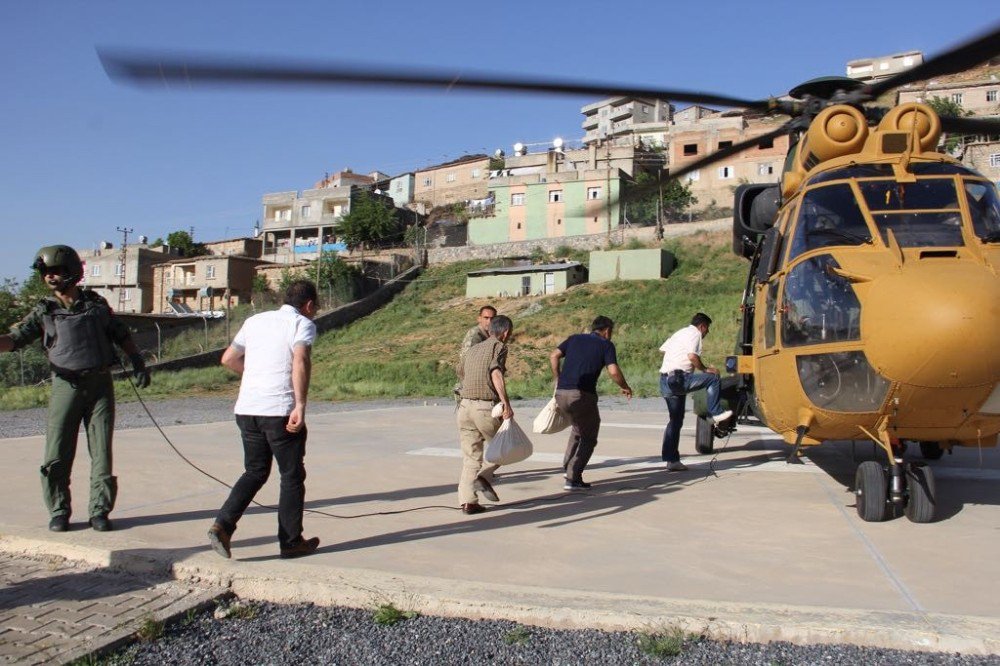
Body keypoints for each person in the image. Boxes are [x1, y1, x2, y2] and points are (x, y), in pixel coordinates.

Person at [0, 245, 151, 533]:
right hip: (65, 386)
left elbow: (120, 333)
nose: (51, 277)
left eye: (57, 271)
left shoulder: (96, 305)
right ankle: (59, 511)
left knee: (102, 453)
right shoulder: (44, 311)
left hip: (99, 386)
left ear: (72, 272)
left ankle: (100, 511)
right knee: (56, 453)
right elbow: (15, 339)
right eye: (47, 273)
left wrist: (136, 359)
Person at [207, 279, 321, 560]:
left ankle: (223, 525)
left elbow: (229, 359)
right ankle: (291, 541)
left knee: (255, 471)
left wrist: (257, 377)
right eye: (315, 307)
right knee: (291, 475)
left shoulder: (255, 321)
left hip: (247, 410)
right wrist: (300, 405)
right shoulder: (301, 324)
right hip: (279, 411)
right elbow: (300, 360)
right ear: (308, 305)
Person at [550, 315, 632, 491]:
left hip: (561, 393)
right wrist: (625, 386)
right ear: (607, 330)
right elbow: (613, 371)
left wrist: (558, 378)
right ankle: (573, 478)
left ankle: (568, 468)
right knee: (589, 437)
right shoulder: (606, 345)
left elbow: (554, 355)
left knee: (578, 428)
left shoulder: (574, 339)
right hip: (581, 395)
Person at [659, 312, 733, 471]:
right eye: (707, 329)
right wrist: (705, 368)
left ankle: (671, 460)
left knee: (675, 420)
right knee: (713, 378)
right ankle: (716, 413)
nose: (707, 333)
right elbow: (692, 356)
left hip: (665, 380)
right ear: (702, 326)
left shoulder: (679, 333)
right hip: (679, 378)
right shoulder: (695, 334)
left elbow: (664, 350)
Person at [455, 314, 514, 515]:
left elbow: (460, 372)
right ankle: (483, 477)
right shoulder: (499, 347)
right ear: (505, 332)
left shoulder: (472, 350)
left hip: (464, 408)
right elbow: (496, 373)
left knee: (471, 457)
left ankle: (468, 502)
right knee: (505, 447)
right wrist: (506, 403)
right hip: (484, 408)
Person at [453, 305, 496, 401]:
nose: (489, 322)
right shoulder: (475, 336)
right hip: (471, 387)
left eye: (492, 318)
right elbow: (466, 361)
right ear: (479, 319)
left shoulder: (488, 335)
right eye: (486, 318)